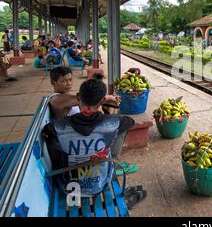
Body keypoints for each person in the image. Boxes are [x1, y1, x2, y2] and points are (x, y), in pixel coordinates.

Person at [43, 75, 146, 206]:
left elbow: (48, 129)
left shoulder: (59, 126)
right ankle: (112, 160)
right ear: (102, 100)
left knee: (56, 142)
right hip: (100, 185)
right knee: (119, 130)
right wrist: (109, 114)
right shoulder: (113, 122)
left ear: (79, 97)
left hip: (67, 185)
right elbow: (130, 122)